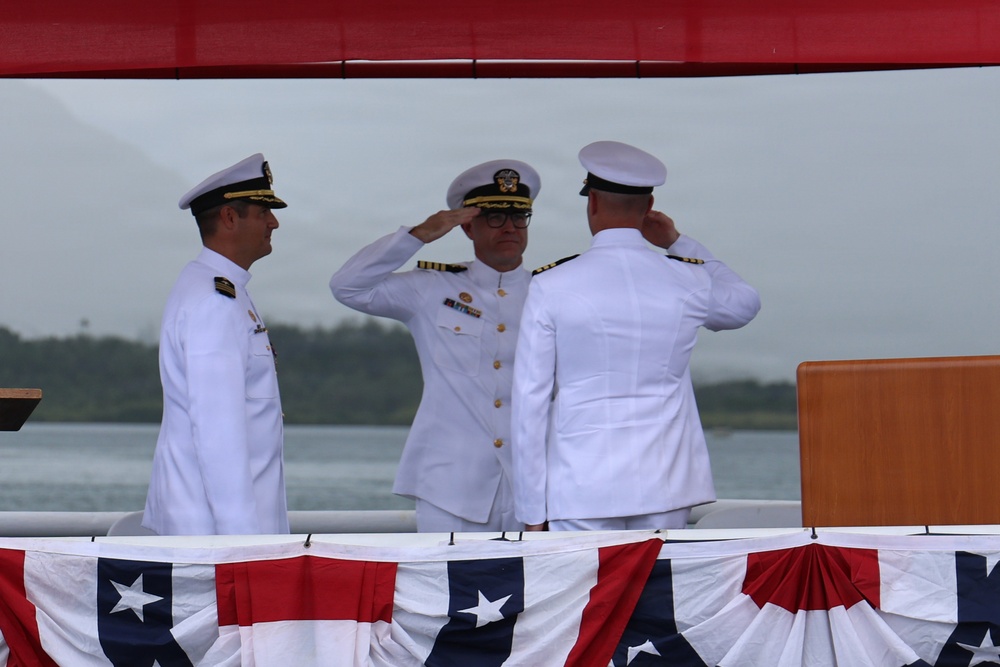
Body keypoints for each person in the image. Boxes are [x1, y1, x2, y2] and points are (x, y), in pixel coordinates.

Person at [511, 141, 761, 532]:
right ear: (649, 207)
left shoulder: (551, 284)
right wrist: (679, 243)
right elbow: (745, 303)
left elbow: (530, 401)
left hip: (581, 485)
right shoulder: (689, 278)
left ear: (592, 202)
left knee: (585, 594)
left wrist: (530, 510)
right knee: (657, 592)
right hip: (666, 485)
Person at [330, 160, 540, 533]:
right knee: (446, 591)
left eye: (518, 216)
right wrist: (419, 235)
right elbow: (348, 286)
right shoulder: (430, 288)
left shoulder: (550, 292)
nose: (509, 227)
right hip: (450, 487)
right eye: (494, 217)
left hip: (534, 486)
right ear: (468, 226)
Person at [142, 153, 291, 535]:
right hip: (215, 537)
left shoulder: (222, 290)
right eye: (263, 212)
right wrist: (241, 545)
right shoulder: (214, 301)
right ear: (229, 218)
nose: (274, 222)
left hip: (217, 531)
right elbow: (217, 430)